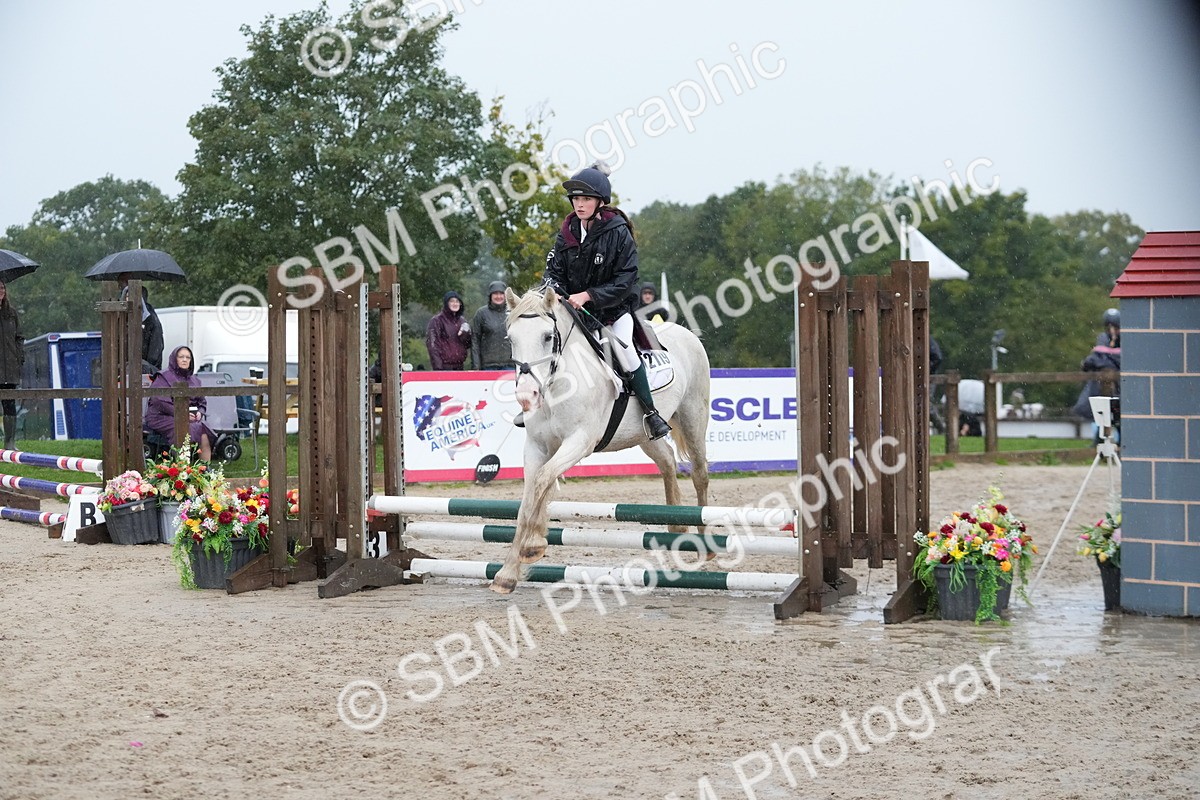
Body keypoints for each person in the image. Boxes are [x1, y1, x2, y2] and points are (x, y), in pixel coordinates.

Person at [539, 161, 671, 440]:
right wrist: (556, 290)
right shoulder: (567, 233)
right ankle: (538, 408)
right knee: (548, 345)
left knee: (625, 350)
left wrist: (589, 295)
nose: (579, 204)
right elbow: (552, 272)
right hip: (575, 312)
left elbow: (626, 279)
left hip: (613, 310)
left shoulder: (618, 232)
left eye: (586, 199)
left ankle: (651, 413)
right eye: (576, 198)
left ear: (600, 202)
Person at [146, 346, 215, 461]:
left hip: (189, 417)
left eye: (188, 357)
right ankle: (182, 467)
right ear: (174, 359)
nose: (184, 360)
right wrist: (183, 415)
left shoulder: (195, 380)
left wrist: (200, 412)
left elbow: (202, 402)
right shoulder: (163, 377)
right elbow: (159, 402)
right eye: (181, 357)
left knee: (203, 430)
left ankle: (205, 468)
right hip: (162, 417)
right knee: (183, 428)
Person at [1073, 307, 1121, 441]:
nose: (1112, 330)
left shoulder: (1125, 340)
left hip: (1119, 387)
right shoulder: (1103, 338)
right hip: (1100, 388)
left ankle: (1119, 442)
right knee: (1102, 414)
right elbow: (1091, 362)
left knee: (1117, 415)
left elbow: (1115, 361)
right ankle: (1099, 441)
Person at [0, 281, 25, 449]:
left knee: (9, 406)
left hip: (9, 368)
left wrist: (19, 357)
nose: (0, 291)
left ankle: (9, 442)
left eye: (2, 287)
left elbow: (19, 337)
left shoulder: (11, 313)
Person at [471, 281, 513, 370]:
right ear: (490, 295)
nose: (498, 296)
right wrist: (476, 366)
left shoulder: (513, 313)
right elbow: (475, 341)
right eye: (495, 293)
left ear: (505, 295)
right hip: (488, 365)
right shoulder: (481, 313)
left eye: (501, 293)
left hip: (510, 364)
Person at [425, 291, 471, 370]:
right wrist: (438, 368)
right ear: (446, 303)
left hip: (460, 365)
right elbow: (433, 346)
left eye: (457, 301)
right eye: (452, 301)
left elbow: (468, 344)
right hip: (444, 366)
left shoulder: (462, 321)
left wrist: (466, 333)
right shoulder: (437, 321)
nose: (455, 304)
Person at [141, 286, 164, 373]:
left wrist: (146, 367)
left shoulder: (150, 319)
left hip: (146, 371)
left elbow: (155, 350)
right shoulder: (125, 317)